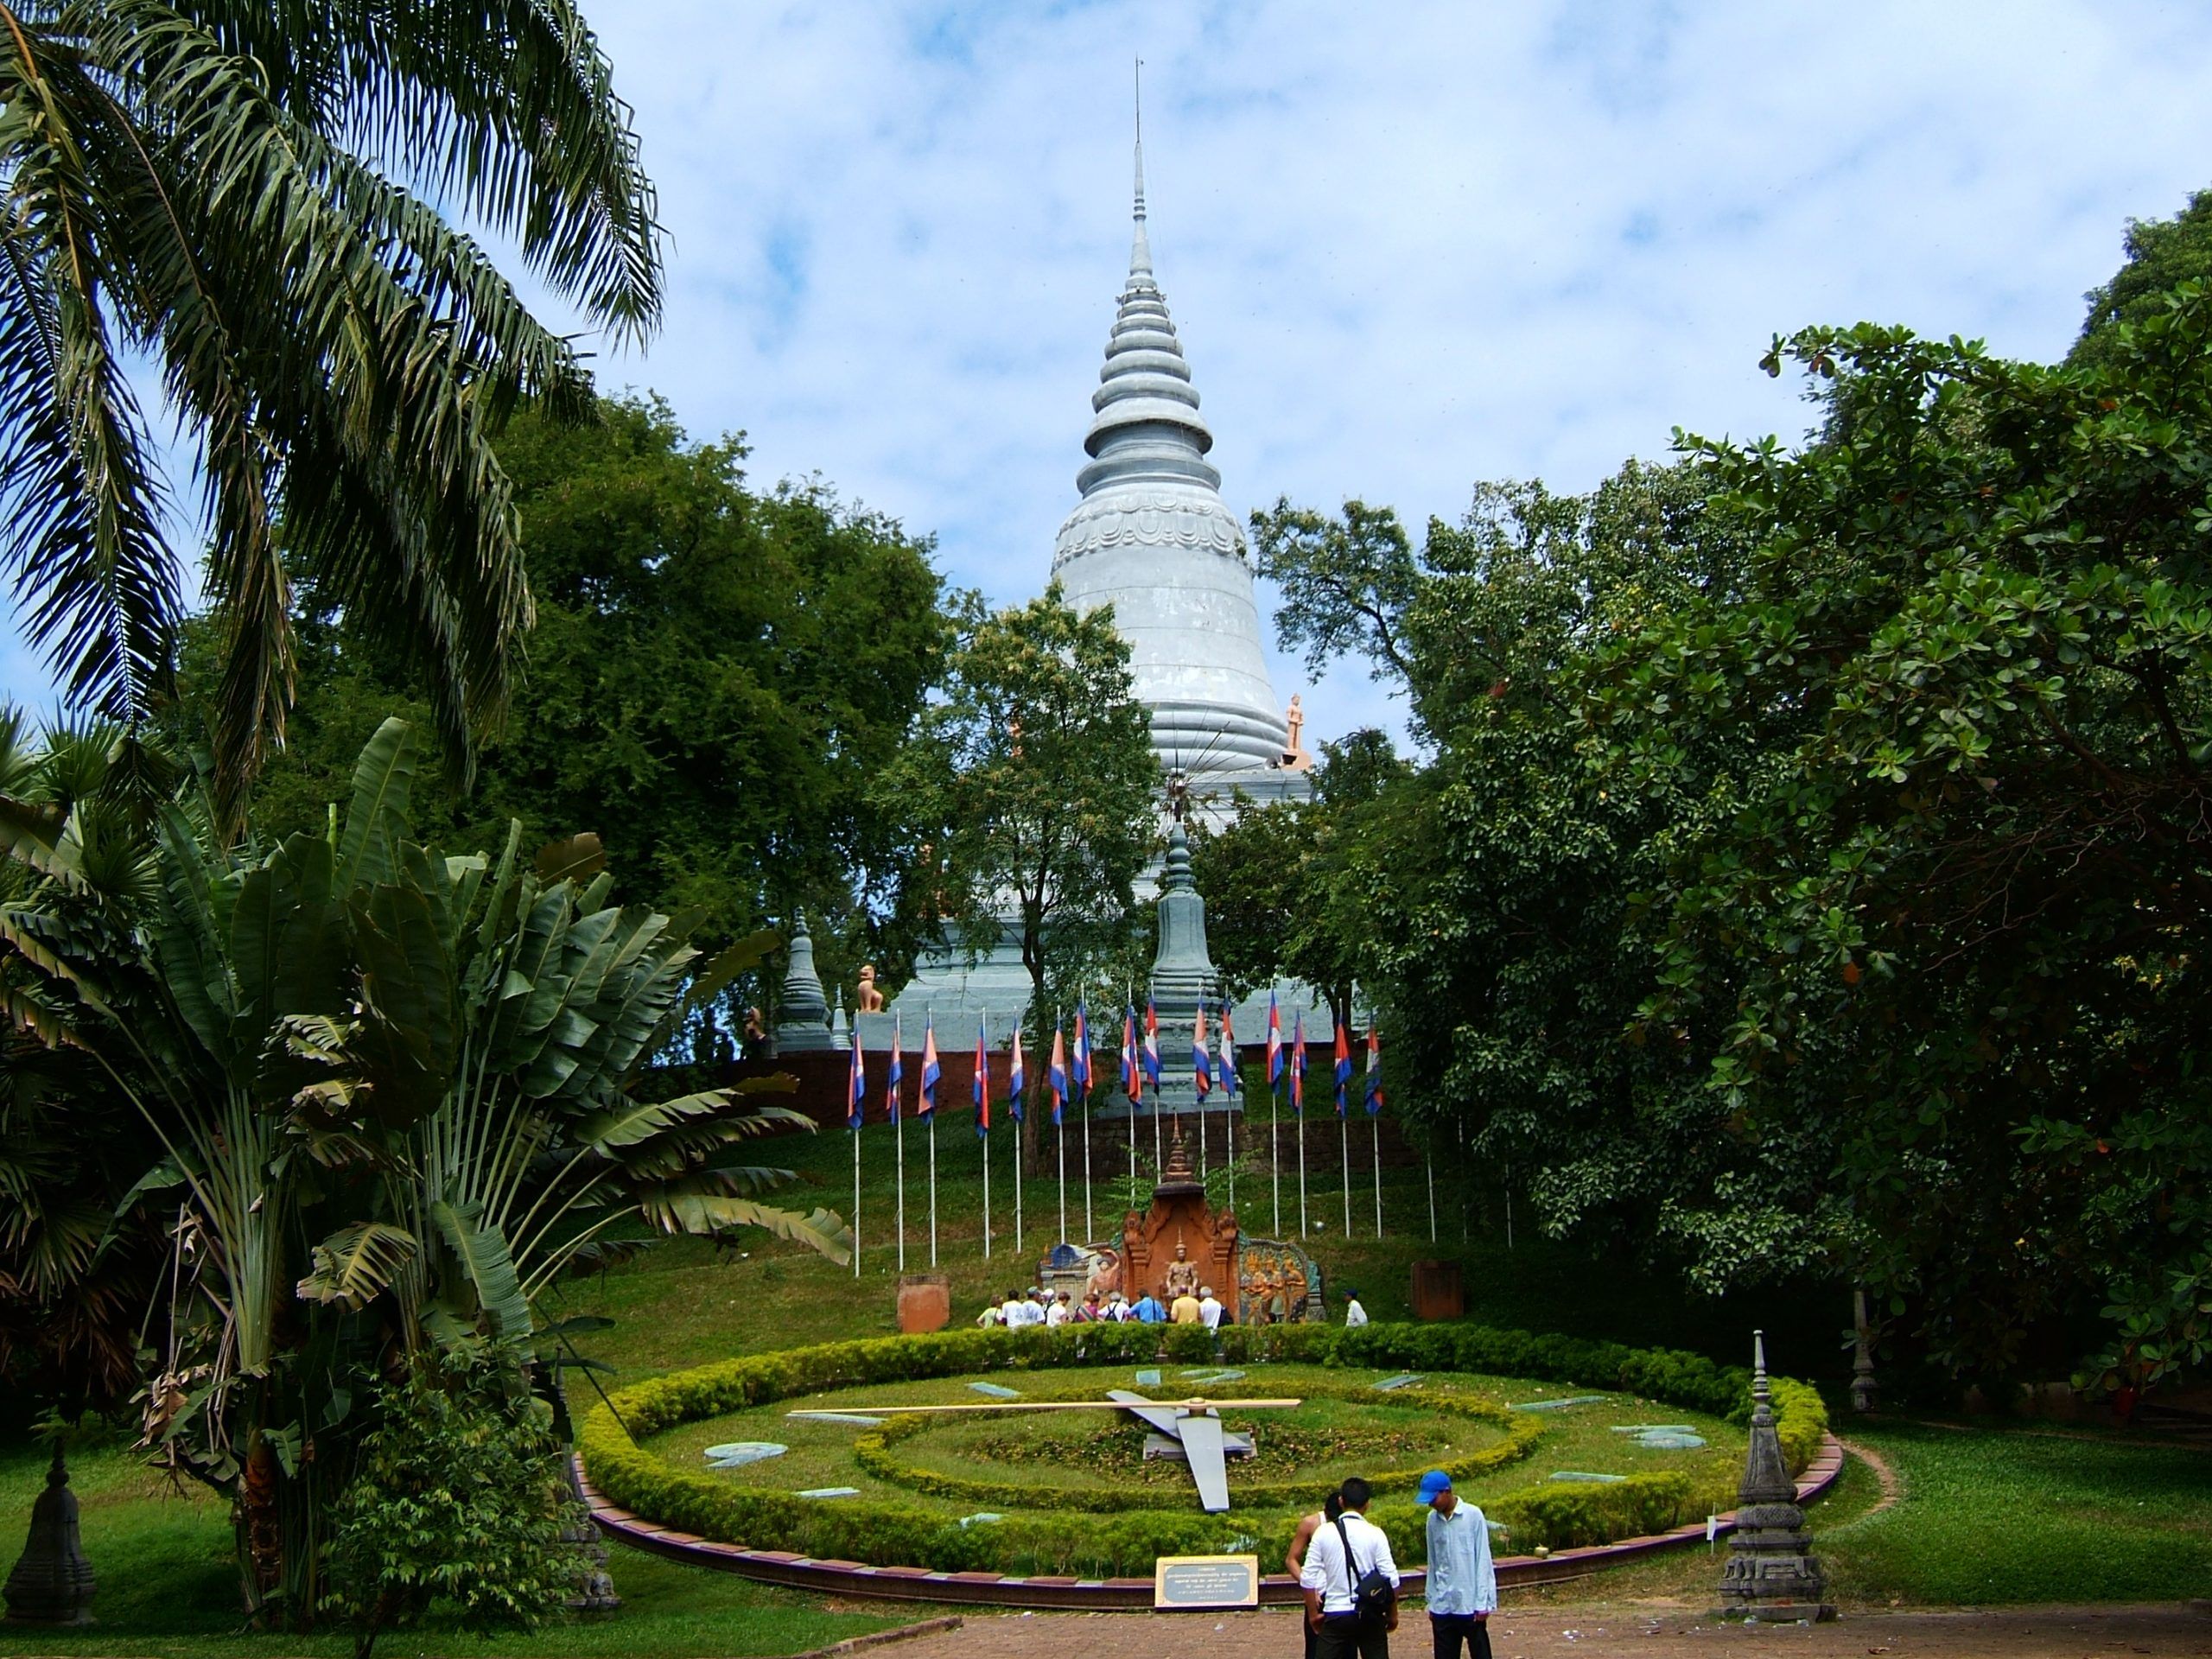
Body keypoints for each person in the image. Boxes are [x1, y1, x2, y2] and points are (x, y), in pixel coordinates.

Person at [1300, 1476, 1400, 1659]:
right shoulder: (1375, 1533)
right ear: (1367, 1504)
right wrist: (1393, 1615)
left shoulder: (1323, 1532)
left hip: (1336, 1613)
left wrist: (1313, 1615)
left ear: (1341, 1501)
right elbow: (1391, 1578)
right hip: (1370, 1613)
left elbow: (1307, 1578)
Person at [1420, 1469, 1497, 1659]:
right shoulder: (1432, 1521)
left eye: (1433, 1498)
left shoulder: (1472, 1515)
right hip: (1443, 1602)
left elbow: (1483, 1560)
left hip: (1469, 1601)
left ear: (1447, 1492)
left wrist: (1483, 1601)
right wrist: (1432, 1599)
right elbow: (1433, 1561)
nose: (1430, 1504)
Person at [1286, 1492, 1345, 1659]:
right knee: (1316, 1647)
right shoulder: (1311, 1524)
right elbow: (1291, 1560)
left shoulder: (1352, 1524)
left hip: (1344, 1593)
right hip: (1318, 1594)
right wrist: (1310, 1587)